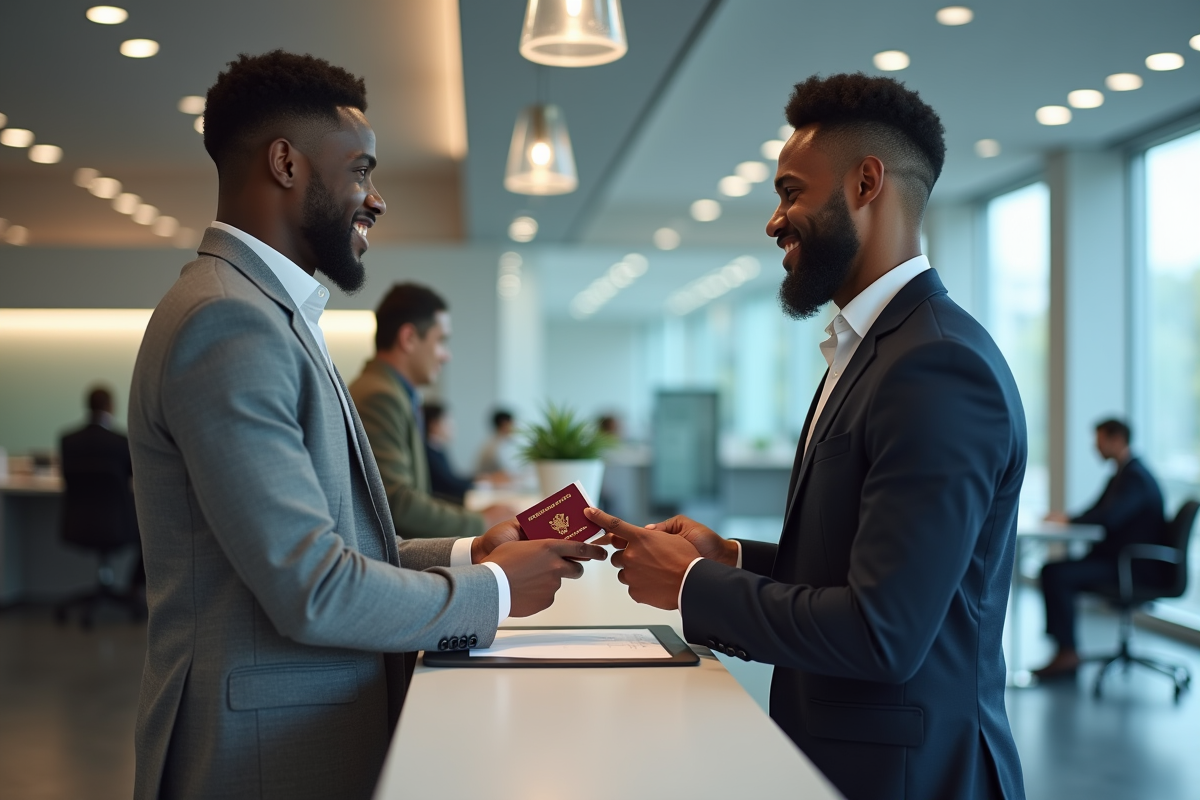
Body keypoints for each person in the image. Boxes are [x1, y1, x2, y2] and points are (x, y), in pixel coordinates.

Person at [126, 51, 604, 800]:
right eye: (360, 171)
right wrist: (495, 590)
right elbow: (312, 587)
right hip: (260, 754)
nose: (375, 199)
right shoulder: (227, 322)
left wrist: (468, 550)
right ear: (286, 163)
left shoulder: (264, 314)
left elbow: (333, 547)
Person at [586, 73, 1026, 800]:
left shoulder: (938, 366)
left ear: (865, 183)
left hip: (911, 777)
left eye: (791, 192)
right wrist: (727, 557)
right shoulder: (872, 350)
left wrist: (693, 584)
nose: (774, 221)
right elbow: (856, 565)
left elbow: (882, 633)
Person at [349, 283, 512, 537]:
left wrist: (473, 513)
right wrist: (480, 522)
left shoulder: (392, 392)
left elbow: (415, 493)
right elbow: (397, 505)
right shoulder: (380, 396)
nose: (447, 356)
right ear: (408, 338)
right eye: (441, 341)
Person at [1034, 419, 1166, 679]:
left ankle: (1066, 652)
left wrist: (1070, 521)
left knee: (1055, 574)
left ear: (1116, 439)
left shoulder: (1135, 477)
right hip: (1121, 561)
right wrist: (1068, 518)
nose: (1095, 447)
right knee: (1055, 570)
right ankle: (1064, 648)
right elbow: (1098, 511)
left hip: (1133, 568)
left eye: (1099, 441)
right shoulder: (1121, 475)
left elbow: (1110, 517)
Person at [58, 385, 145, 598]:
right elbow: (136, 476)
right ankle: (135, 587)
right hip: (117, 524)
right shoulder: (120, 442)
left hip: (78, 523)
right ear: (110, 407)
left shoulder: (68, 441)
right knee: (149, 528)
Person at [422, 402, 474, 505]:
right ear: (434, 424)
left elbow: (451, 478)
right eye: (448, 422)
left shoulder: (438, 449)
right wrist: (480, 484)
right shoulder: (428, 452)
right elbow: (449, 485)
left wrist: (479, 479)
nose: (453, 426)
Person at [475, 408, 520, 482]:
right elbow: (503, 474)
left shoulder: (500, 441)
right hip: (486, 484)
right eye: (512, 424)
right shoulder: (493, 446)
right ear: (504, 424)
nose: (514, 427)